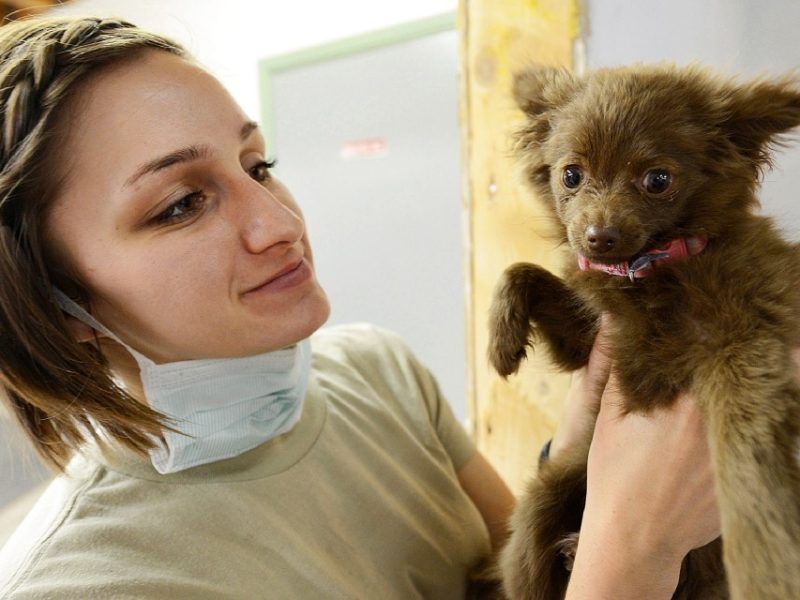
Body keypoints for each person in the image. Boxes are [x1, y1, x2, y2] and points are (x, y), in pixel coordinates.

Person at [0, 15, 752, 599]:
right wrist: (634, 552)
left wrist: (580, 459)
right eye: (180, 205)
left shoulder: (378, 370)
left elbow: (516, 584)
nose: (280, 223)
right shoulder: (85, 581)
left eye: (258, 165)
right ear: (57, 306)